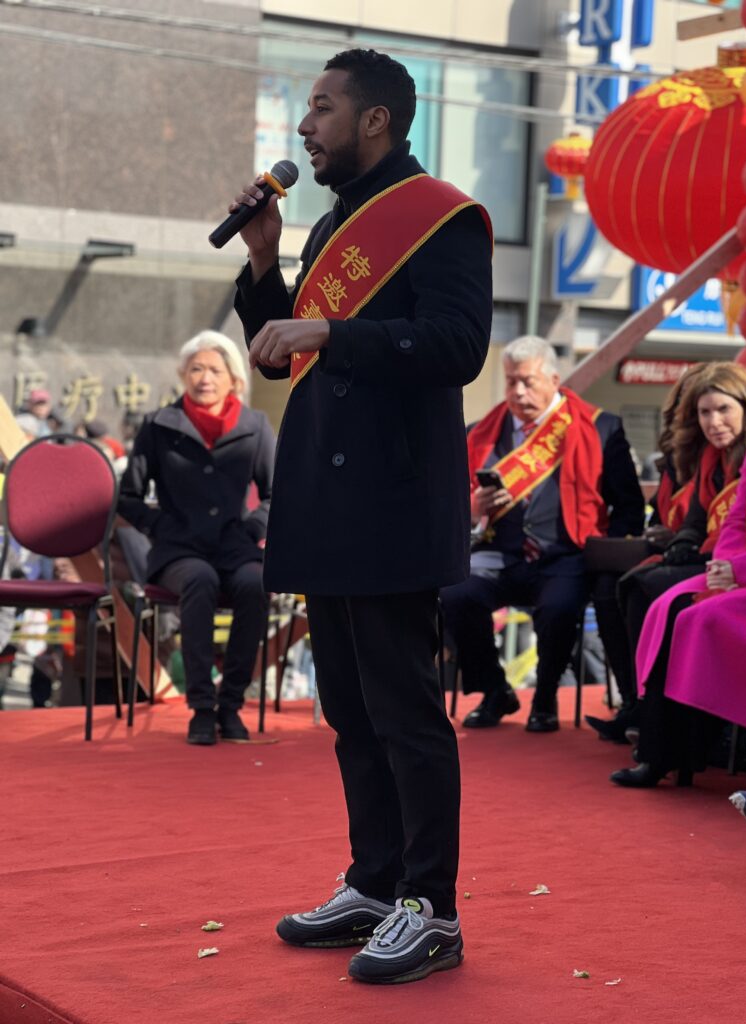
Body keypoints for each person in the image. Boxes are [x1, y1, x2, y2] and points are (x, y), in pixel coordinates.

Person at [231, 48, 493, 984]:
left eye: (322, 108)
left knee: (404, 711)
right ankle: (377, 882)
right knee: (348, 708)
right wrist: (265, 261)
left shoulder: (443, 220)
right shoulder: (333, 225)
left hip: (390, 495)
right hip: (325, 496)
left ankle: (435, 907)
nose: (305, 127)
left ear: (375, 120)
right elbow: (278, 353)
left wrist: (331, 329)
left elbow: (459, 346)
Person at [440, 336, 644, 734]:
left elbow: (630, 506)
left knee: (561, 606)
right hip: (497, 549)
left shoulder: (602, 428)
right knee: (455, 593)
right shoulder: (479, 432)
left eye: (528, 382)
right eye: (511, 381)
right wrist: (474, 508)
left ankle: (546, 696)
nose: (518, 392)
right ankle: (495, 690)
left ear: (554, 379)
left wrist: (607, 553)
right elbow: (449, 502)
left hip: (565, 553)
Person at [611, 365, 746, 787]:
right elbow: (736, 519)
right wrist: (727, 566)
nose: (713, 421)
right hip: (743, 572)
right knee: (664, 603)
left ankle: (682, 748)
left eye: (723, 409)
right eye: (705, 411)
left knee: (688, 612)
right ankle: (662, 748)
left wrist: (739, 569)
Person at [118, 330, 275, 745]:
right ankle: (202, 708)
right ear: (184, 375)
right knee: (199, 581)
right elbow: (128, 497)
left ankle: (232, 704)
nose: (204, 377)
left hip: (236, 544)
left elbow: (279, 494)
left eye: (214, 370)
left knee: (255, 585)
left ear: (233, 380)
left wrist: (253, 529)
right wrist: (160, 527)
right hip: (179, 550)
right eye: (196, 369)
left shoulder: (255, 426)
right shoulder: (157, 425)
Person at [585, 363, 708, 744]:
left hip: (707, 558)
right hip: (672, 548)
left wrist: (678, 536)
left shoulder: (725, 454)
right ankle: (632, 702)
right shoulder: (675, 455)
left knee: (640, 587)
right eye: (693, 409)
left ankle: (660, 720)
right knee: (606, 587)